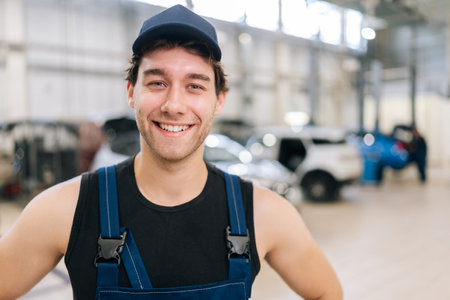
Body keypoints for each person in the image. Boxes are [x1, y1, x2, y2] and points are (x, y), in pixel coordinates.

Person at [0, 5, 342, 300]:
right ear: (132, 92)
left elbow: (327, 292)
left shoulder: (265, 215)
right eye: (157, 82)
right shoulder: (65, 209)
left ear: (218, 100)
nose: (174, 105)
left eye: (195, 85)